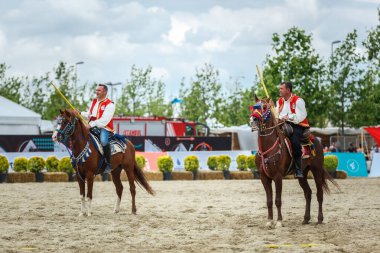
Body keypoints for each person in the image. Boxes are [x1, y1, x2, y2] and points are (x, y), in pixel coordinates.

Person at [275, 81, 309, 178]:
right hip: (283, 124)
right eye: (280, 88)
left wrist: (289, 117)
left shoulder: (298, 101)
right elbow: (277, 113)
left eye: (281, 88)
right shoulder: (279, 101)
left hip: (297, 125)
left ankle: (298, 169)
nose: (279, 90)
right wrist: (274, 111)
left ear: (288, 90)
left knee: (294, 142)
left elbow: (302, 115)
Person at [80, 84, 115, 175]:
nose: (96, 92)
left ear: (105, 92)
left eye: (99, 90)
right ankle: (80, 164)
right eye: (96, 90)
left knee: (103, 141)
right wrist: (79, 113)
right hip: (92, 126)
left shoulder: (110, 104)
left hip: (104, 128)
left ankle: (108, 164)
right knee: (81, 138)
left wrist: (91, 124)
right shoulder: (94, 101)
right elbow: (89, 114)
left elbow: (104, 120)